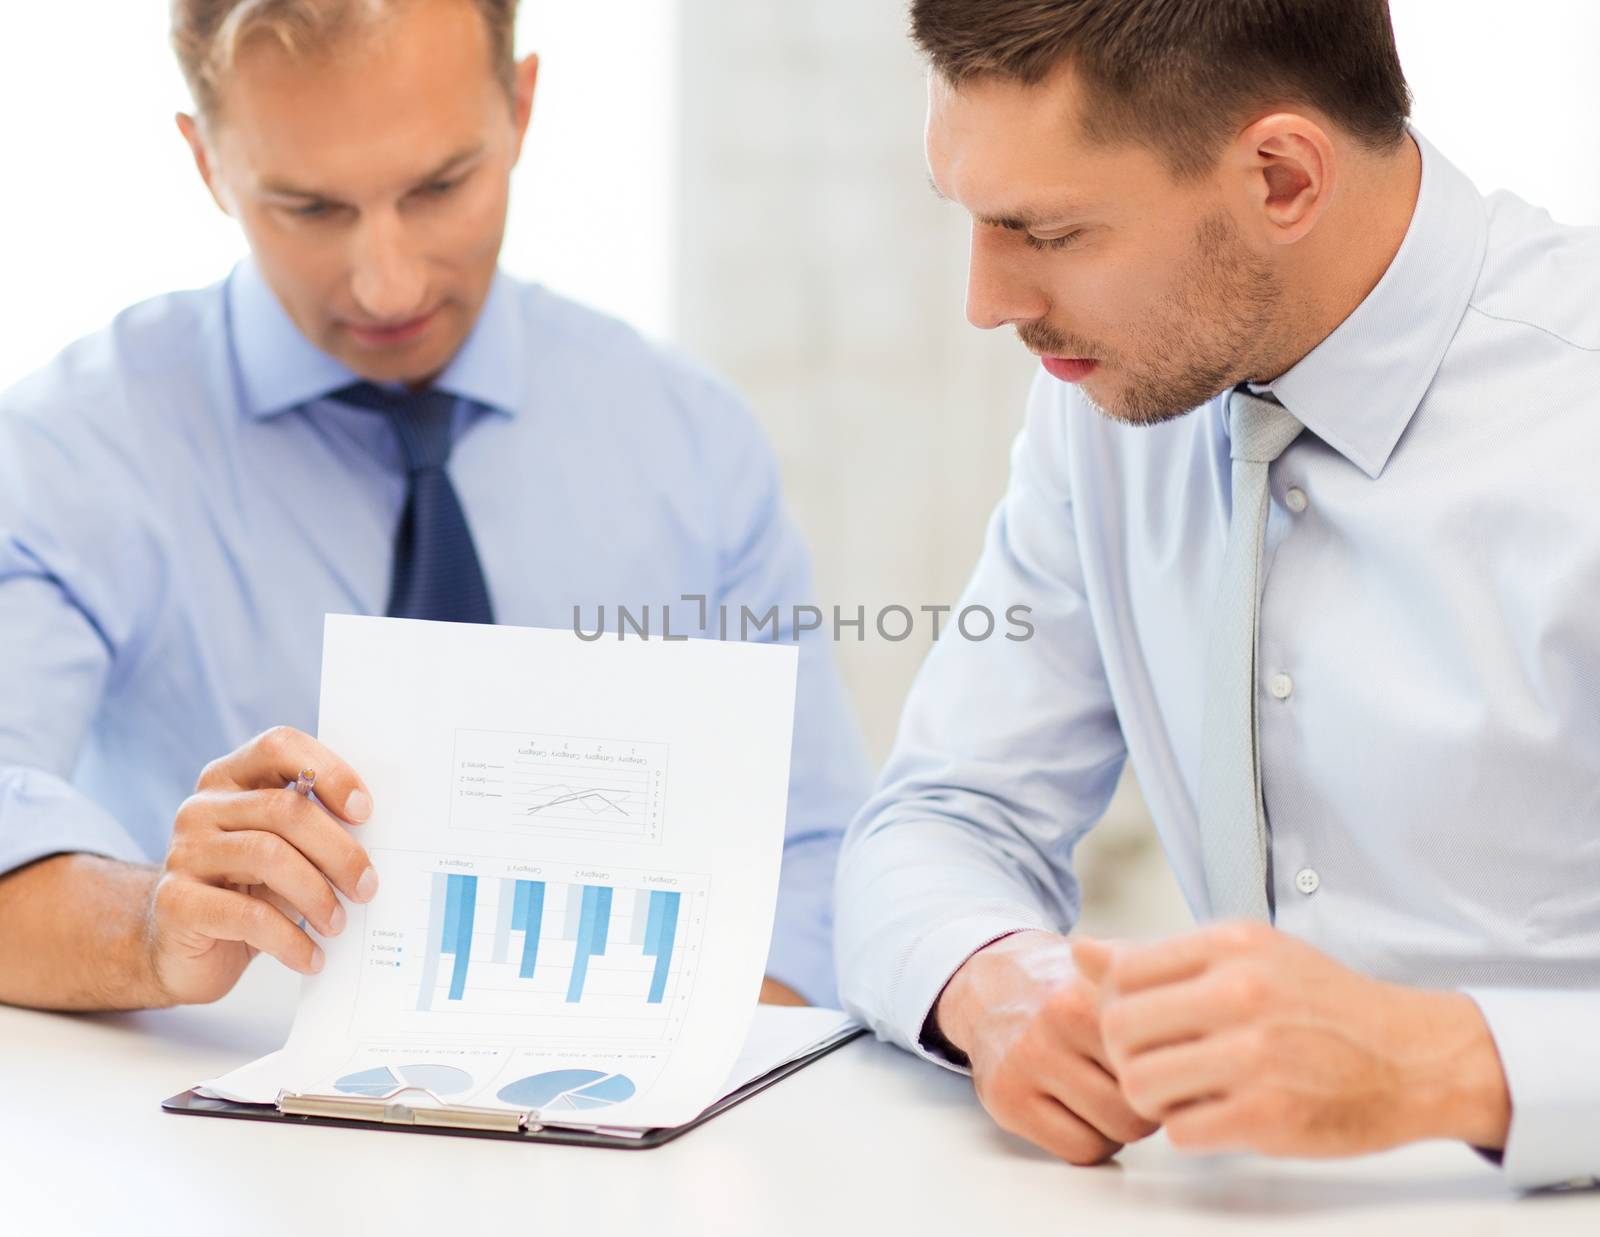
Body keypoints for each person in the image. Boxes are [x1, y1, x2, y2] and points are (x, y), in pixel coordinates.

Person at [836, 0, 1600, 1191]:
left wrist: (1440, 1068)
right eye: (972, 218)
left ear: (1282, 178)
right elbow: (943, 817)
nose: (986, 302)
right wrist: (995, 984)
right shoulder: (1110, 395)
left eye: (1046, 230)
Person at [0, 0, 870, 1014]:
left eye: (441, 186)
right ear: (207, 164)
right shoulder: (71, 450)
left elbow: (814, 856)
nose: (387, 283)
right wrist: (151, 926)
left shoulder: (693, 442)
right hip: (222, 1138)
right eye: (309, 208)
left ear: (522, 107)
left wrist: (662, 1088)